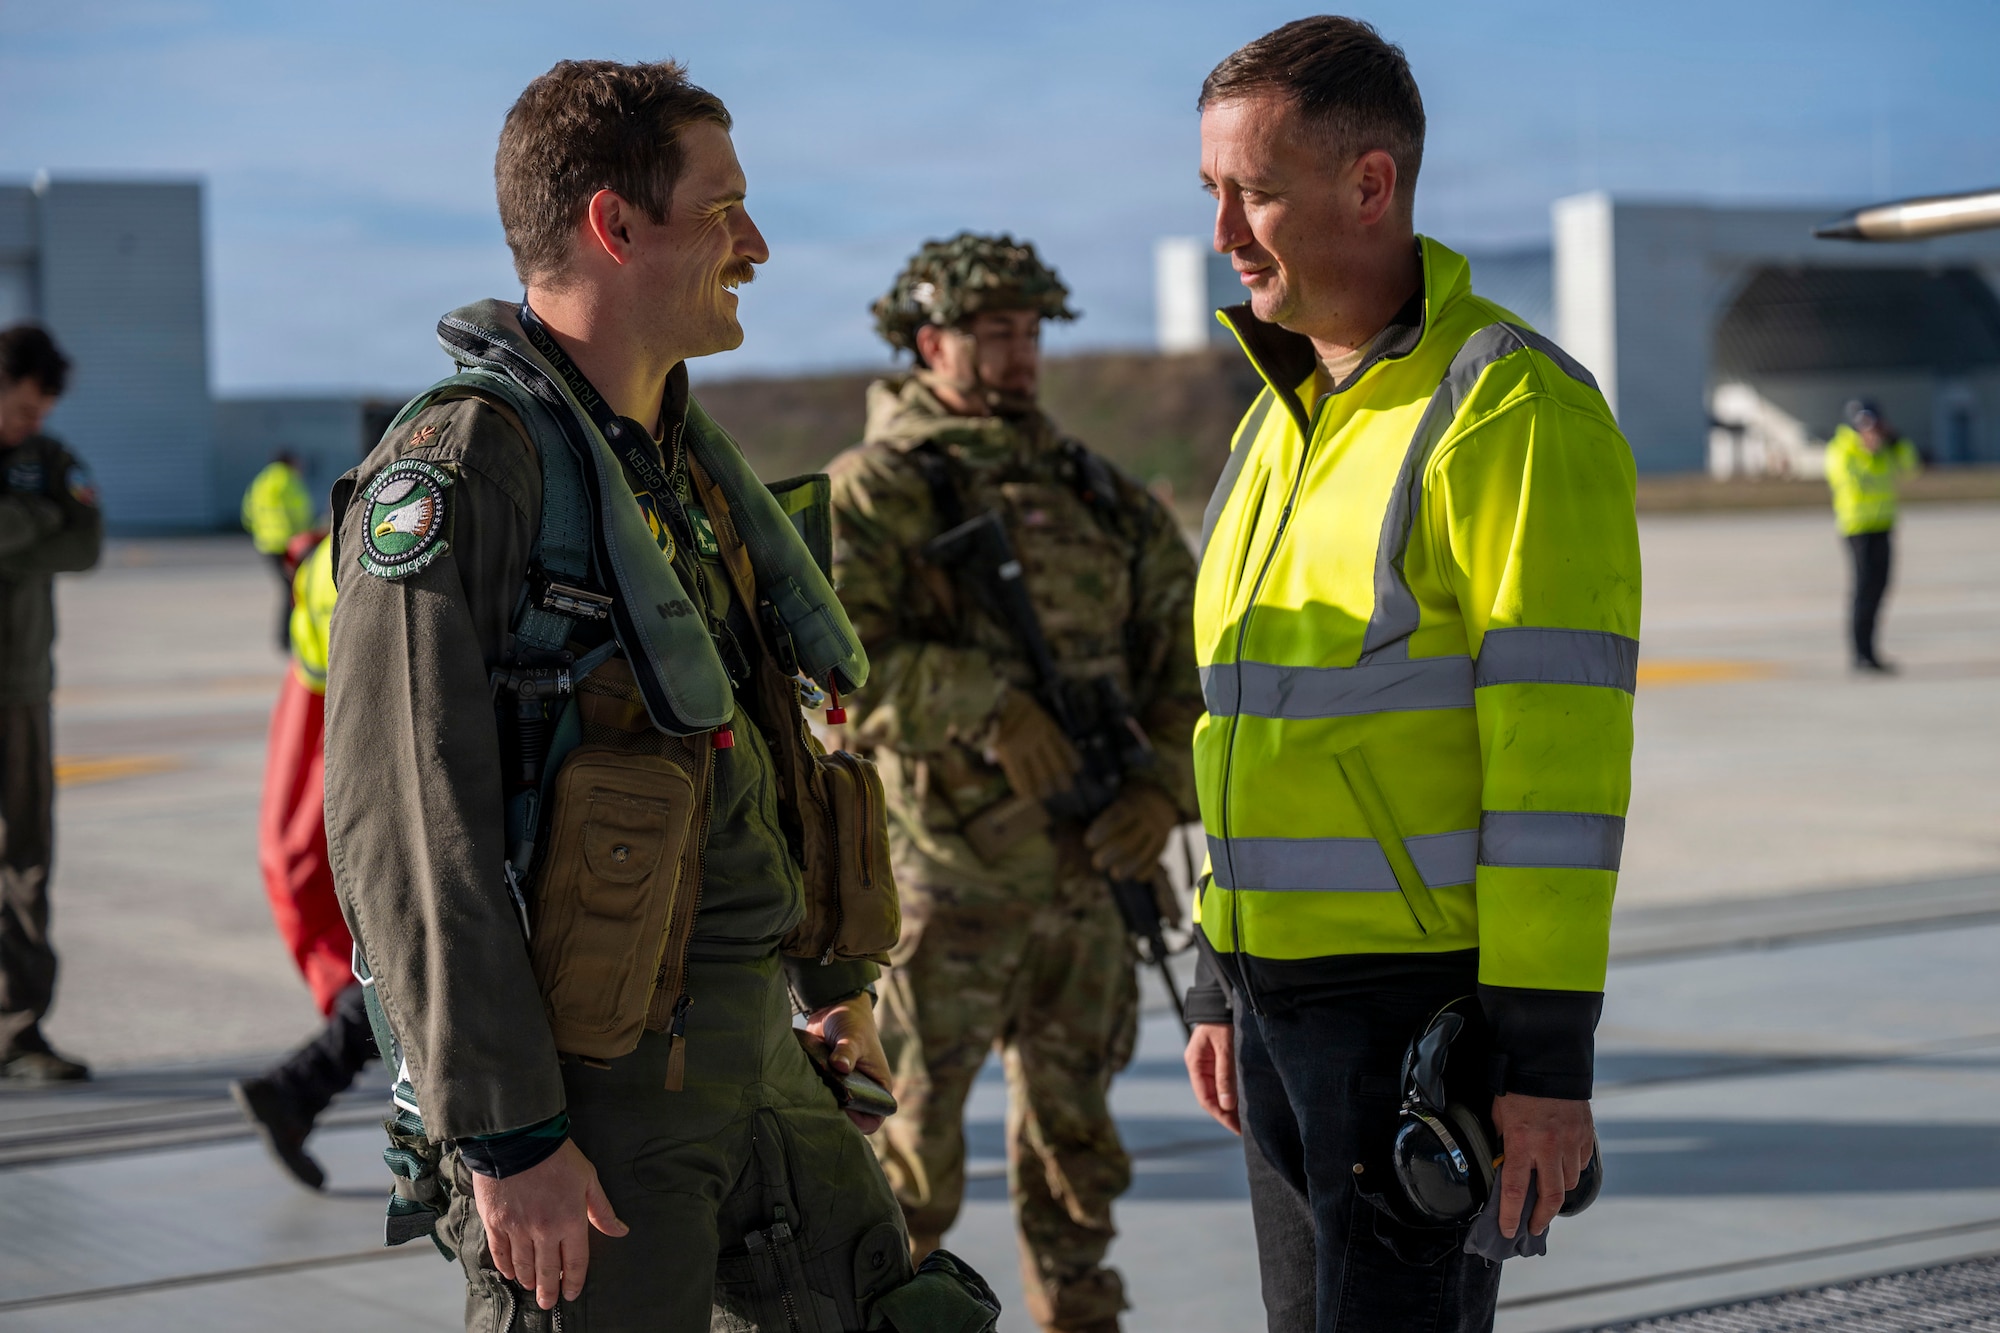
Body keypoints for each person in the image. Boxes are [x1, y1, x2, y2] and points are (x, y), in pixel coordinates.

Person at [324, 59, 998, 1332]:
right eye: (721, 208)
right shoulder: (467, 466)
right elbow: (407, 828)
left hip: (753, 1048)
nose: (754, 243)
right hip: (596, 1093)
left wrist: (825, 979)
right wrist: (512, 1135)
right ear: (612, 223)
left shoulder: (676, 466)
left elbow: (751, 743)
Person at [1181, 18, 1640, 1332]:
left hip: (1411, 1013)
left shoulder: (1506, 407)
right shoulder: (1274, 420)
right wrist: (1221, 975)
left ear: (1369, 185)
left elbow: (1560, 766)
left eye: (1252, 191)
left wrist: (1542, 1061)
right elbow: (1239, 722)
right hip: (1277, 1002)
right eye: (1210, 193)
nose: (1225, 232)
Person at [826, 235, 1203, 1333]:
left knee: (1076, 1149)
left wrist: (1158, 794)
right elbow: (835, 662)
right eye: (995, 331)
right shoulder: (877, 488)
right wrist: (987, 703)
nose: (1019, 353)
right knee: (902, 1163)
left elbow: (1183, 664)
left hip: (1088, 882)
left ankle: (1079, 1312)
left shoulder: (1098, 493)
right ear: (927, 339)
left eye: (1032, 331)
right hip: (944, 887)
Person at [231, 534, 377, 1189]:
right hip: (348, 778)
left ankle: (297, 1091)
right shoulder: (373, 546)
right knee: (408, 984)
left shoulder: (339, 547)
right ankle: (296, 1089)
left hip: (326, 783)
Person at [0, 323, 102, 1084]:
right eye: (24, 410)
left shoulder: (48, 460)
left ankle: (17, 1026)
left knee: (27, 860)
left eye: (41, 413)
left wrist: (21, 524)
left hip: (20, 688)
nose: (33, 426)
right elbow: (57, 532)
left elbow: (87, 541)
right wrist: (37, 521)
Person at [1826, 398, 1919, 673]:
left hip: (1883, 524)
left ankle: (1872, 652)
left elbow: (1912, 467)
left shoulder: (1888, 448)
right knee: (1864, 589)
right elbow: (1850, 479)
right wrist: (1869, 452)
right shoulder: (1842, 449)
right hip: (1857, 528)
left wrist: (1896, 440)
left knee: (1881, 587)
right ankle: (1860, 654)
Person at [241, 449, 314, 648]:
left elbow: (247, 513)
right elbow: (294, 512)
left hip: (267, 544)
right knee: (294, 590)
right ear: (290, 461)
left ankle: (286, 637)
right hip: (287, 544)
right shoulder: (286, 480)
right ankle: (289, 637)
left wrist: (261, 532)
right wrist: (298, 536)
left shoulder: (262, 481)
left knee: (288, 589)